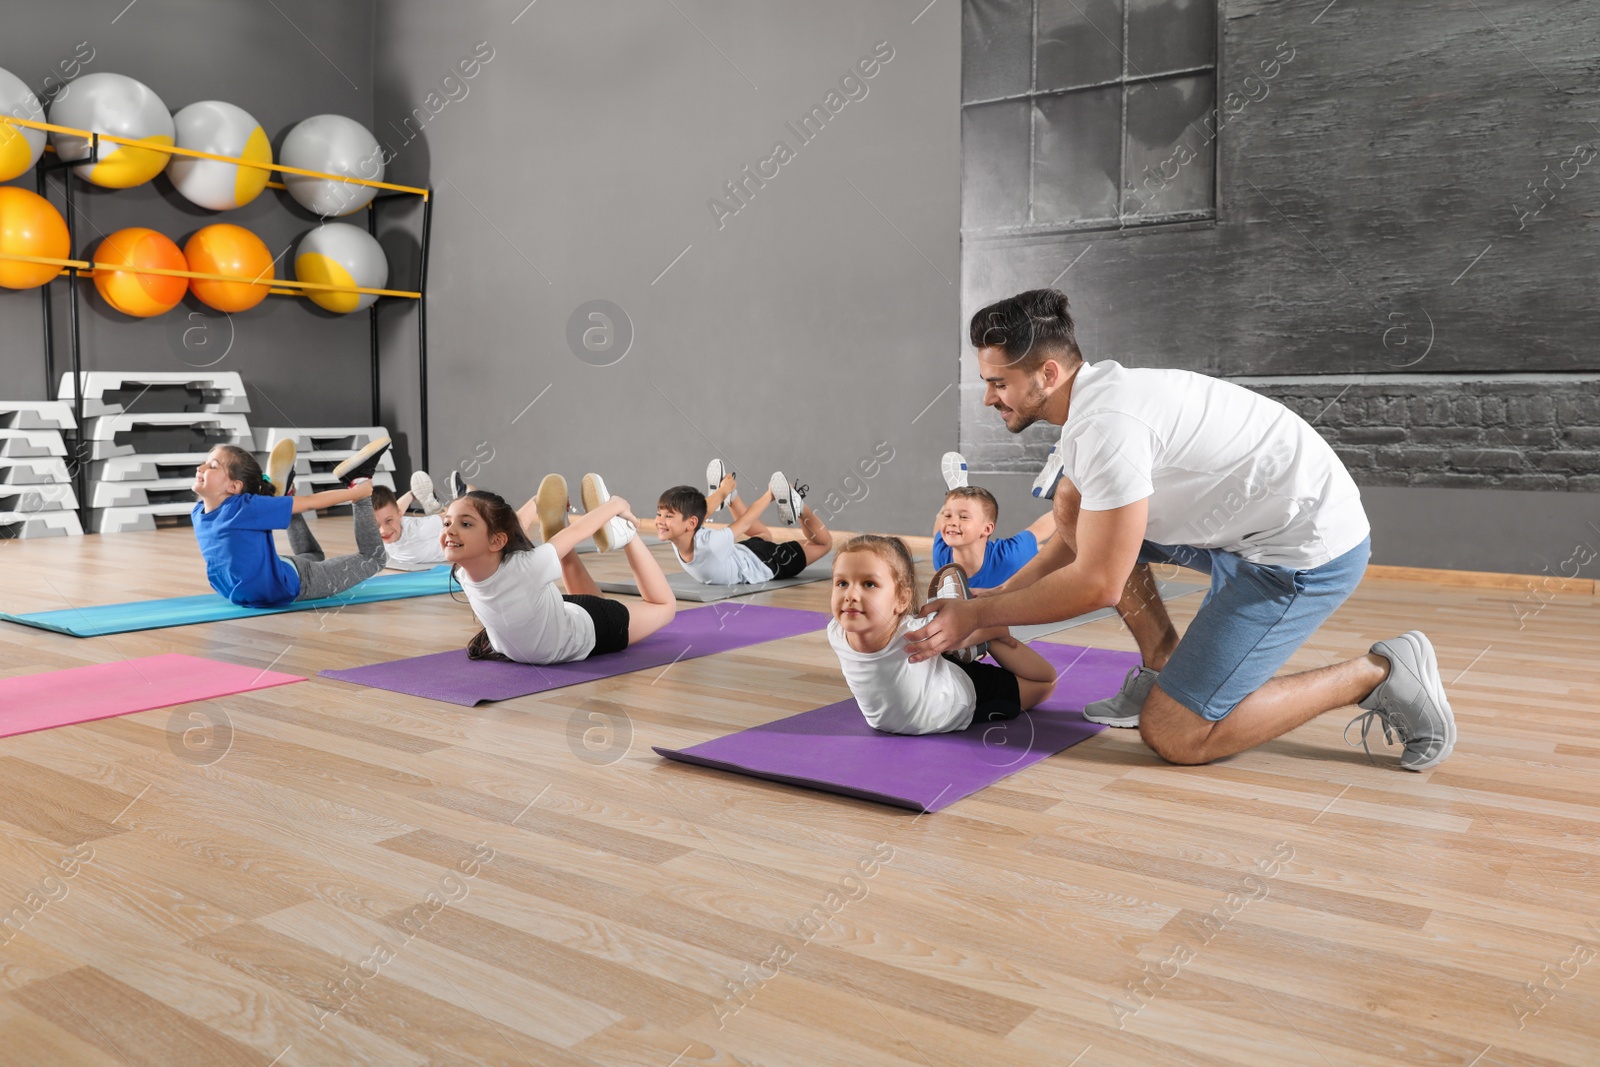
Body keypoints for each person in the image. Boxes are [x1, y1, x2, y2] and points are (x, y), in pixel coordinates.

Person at [909, 287, 1455, 772]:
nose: (988, 398)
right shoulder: (1097, 399)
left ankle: (1379, 673)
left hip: (1302, 555)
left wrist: (978, 616)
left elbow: (1097, 580)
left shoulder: (1108, 429)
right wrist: (997, 597)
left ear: (1047, 375)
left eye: (997, 383)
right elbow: (1075, 541)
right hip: (1247, 526)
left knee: (1174, 734)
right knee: (1073, 501)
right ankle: (1163, 664)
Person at [828, 534, 1057, 735]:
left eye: (868, 584)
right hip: (932, 667)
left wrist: (985, 624)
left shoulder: (917, 632)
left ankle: (988, 632)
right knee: (944, 635)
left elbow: (1046, 679)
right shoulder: (835, 632)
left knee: (1046, 683)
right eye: (842, 583)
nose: (850, 595)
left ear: (902, 600)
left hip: (961, 699)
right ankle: (963, 633)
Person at [444, 474, 676, 664]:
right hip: (561, 615)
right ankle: (561, 528)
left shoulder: (522, 568)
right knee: (570, 580)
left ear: (496, 541)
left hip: (587, 628)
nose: (450, 530)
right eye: (447, 522)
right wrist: (537, 503)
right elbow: (507, 532)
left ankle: (627, 533)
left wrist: (616, 505)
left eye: (465, 524)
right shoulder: (463, 570)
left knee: (665, 607)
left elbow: (576, 533)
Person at [190, 437, 392, 607]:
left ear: (234, 486)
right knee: (313, 557)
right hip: (279, 576)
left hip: (289, 580)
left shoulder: (241, 508)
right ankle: (284, 495)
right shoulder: (199, 512)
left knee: (374, 558)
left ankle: (359, 479)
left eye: (213, 466)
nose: (201, 467)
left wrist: (358, 494)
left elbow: (309, 503)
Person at [653, 466, 833, 586]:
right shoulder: (679, 530)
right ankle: (732, 499)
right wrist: (723, 491)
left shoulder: (709, 543)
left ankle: (798, 506)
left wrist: (769, 495)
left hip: (766, 562)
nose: (660, 521)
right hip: (743, 551)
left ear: (690, 523)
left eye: (668, 516)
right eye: (659, 514)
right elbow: (701, 513)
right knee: (763, 534)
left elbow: (745, 522)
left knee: (823, 545)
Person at [931, 459, 1056, 589]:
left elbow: (1038, 530)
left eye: (963, 517)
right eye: (948, 516)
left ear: (986, 529)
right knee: (940, 527)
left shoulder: (1010, 557)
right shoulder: (941, 559)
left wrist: (1066, 504)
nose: (952, 522)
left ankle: (956, 493)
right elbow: (938, 530)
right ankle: (956, 492)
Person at [372, 473, 476, 571]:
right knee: (389, 512)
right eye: (376, 525)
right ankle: (415, 496)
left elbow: (450, 516)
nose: (383, 531)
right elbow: (393, 510)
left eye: (389, 521)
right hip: (416, 532)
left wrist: (462, 502)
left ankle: (466, 496)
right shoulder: (380, 529)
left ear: (399, 515)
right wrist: (411, 495)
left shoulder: (419, 530)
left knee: (466, 512)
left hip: (457, 539)